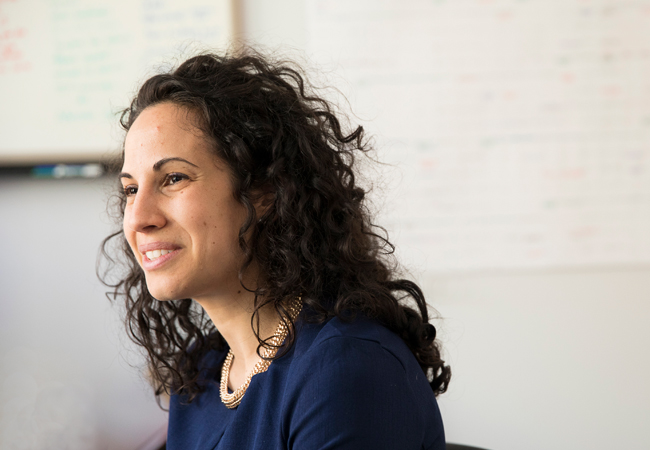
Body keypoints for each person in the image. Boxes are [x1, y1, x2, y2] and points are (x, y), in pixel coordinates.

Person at [100, 50, 451, 450]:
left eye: (174, 178)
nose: (138, 217)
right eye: (130, 189)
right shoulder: (203, 375)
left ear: (263, 193)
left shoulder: (345, 369)